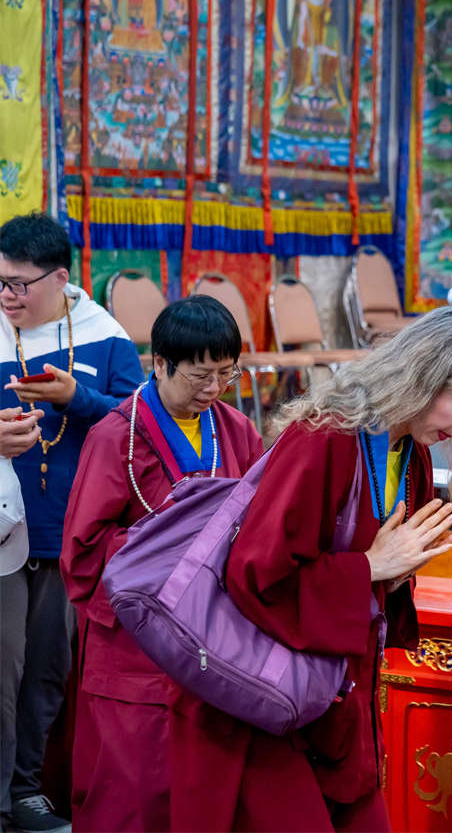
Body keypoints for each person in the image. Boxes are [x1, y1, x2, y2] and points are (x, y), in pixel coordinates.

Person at [179, 306, 452, 831]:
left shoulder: (411, 452)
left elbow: (372, 570)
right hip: (275, 705)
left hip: (340, 698)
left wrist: (392, 574)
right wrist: (369, 567)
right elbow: (255, 575)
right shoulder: (325, 437)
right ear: (423, 376)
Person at [61, 295, 263, 830]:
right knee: (131, 788)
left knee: (203, 787)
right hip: (136, 644)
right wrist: (170, 550)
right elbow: (83, 552)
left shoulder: (236, 430)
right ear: (160, 363)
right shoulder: (117, 436)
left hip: (213, 638)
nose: (214, 389)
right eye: (199, 375)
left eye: (226, 374)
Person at [0, 213, 143, 833]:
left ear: (61, 278)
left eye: (19, 284)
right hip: (2, 529)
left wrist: (75, 400)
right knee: (1, 671)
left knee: (47, 670)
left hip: (69, 531)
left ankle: (27, 792)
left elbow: (142, 423)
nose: (8, 296)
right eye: (0, 282)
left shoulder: (103, 336)